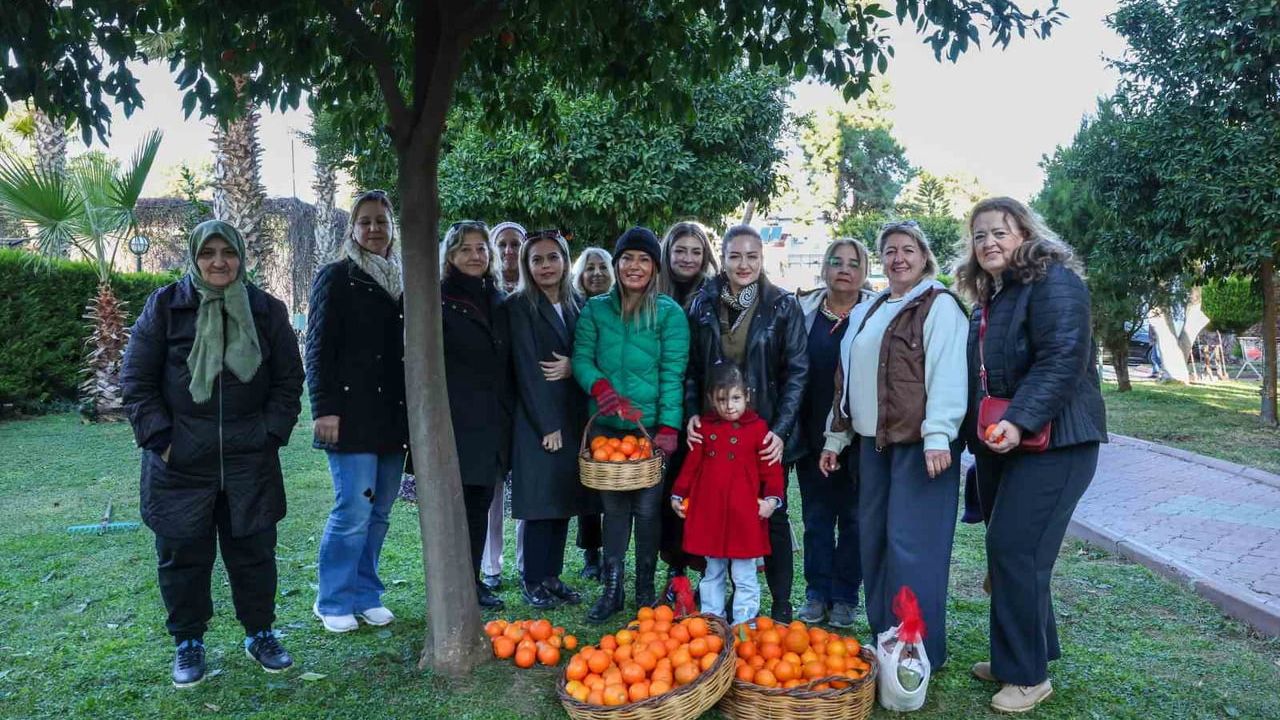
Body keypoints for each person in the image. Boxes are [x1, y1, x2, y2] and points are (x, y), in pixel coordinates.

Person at [122, 220, 303, 688]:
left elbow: (288, 380)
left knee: (255, 554)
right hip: (180, 461)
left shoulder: (266, 310)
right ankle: (188, 642)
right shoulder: (165, 307)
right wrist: (163, 441)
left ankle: (260, 632)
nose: (219, 262)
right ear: (194, 257)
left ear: (241, 256)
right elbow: (137, 383)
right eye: (209, 253)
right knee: (182, 555)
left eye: (228, 252)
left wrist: (270, 435)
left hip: (250, 458)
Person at [955, 197, 1107, 713]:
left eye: (1000, 232)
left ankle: (1028, 676)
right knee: (1012, 552)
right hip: (1008, 446)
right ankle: (1022, 654)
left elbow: (1062, 359)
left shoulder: (1054, 282)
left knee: (1016, 550)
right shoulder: (995, 295)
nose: (989, 242)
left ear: (1024, 234)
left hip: (1057, 443)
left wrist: (1019, 421)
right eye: (980, 236)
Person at [820, 220, 968, 669]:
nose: (898, 258)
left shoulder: (939, 305)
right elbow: (849, 377)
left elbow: (947, 372)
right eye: (889, 251)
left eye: (907, 249)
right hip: (873, 446)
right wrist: (837, 434)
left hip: (920, 446)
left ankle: (919, 649)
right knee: (877, 542)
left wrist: (938, 433)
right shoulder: (875, 306)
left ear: (924, 256)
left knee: (913, 548)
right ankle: (887, 637)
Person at [685, 224, 808, 622]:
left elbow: (797, 373)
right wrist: (691, 414)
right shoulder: (703, 303)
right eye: (735, 255)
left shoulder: (782, 306)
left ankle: (780, 603)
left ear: (762, 259)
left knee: (770, 513)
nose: (743, 264)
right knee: (714, 509)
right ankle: (715, 611)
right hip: (715, 427)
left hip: (764, 428)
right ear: (722, 257)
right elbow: (691, 370)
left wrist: (781, 430)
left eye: (752, 256)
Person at [572, 226, 689, 623]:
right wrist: (599, 385)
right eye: (627, 258)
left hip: (650, 432)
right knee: (614, 509)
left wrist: (669, 428)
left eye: (643, 259)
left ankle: (644, 591)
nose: (634, 266)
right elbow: (582, 358)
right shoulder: (595, 310)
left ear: (654, 267)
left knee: (648, 509)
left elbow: (673, 375)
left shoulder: (670, 314)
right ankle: (613, 588)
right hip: (606, 429)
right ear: (616, 263)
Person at [306, 190, 408, 633]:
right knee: (353, 508)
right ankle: (332, 599)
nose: (373, 229)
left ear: (392, 227)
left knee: (381, 510)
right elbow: (317, 348)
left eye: (380, 221)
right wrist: (324, 409)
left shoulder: (404, 281)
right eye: (364, 221)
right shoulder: (336, 276)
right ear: (353, 228)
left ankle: (366, 594)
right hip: (348, 415)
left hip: (392, 416)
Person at [505, 229, 598, 609]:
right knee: (539, 502)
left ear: (564, 260)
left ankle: (552, 576)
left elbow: (589, 355)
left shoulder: (577, 304)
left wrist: (573, 368)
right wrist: (547, 426)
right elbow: (527, 369)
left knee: (562, 498)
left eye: (552, 258)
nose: (546, 266)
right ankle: (532, 579)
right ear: (527, 266)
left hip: (572, 417)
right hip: (539, 420)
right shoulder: (519, 307)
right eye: (537, 260)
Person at [793, 238, 873, 627]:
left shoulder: (876, 314)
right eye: (836, 261)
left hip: (859, 438)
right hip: (811, 435)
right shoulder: (803, 311)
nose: (844, 268)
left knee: (855, 519)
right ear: (824, 269)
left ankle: (844, 596)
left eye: (853, 263)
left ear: (864, 271)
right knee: (817, 518)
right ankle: (816, 593)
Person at [671, 363, 783, 621]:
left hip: (743, 515)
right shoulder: (704, 428)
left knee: (744, 573)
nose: (729, 406)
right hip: (711, 512)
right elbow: (691, 467)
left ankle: (744, 623)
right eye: (722, 400)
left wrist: (772, 499)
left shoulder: (758, 428)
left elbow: (771, 469)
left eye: (735, 398)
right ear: (711, 399)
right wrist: (678, 494)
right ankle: (713, 620)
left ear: (747, 397)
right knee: (713, 570)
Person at [441, 220, 515, 609]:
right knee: (459, 507)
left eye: (481, 249)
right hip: (457, 419)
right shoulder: (440, 300)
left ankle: (471, 581)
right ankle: (460, 582)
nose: (475, 255)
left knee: (480, 504)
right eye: (465, 249)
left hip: (492, 421)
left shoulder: (498, 300)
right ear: (450, 256)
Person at [655, 221, 720, 594]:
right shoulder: (651, 292)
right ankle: (673, 568)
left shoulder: (712, 295)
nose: (688, 258)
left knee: (697, 493)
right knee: (665, 497)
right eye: (681, 250)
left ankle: (704, 571)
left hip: (698, 409)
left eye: (696, 251)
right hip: (660, 408)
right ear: (668, 253)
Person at [480, 221, 527, 592]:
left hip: (526, 405)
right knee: (492, 491)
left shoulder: (534, 294)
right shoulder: (487, 293)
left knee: (526, 488)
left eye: (516, 244)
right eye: (504, 245)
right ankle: (491, 565)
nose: (510, 252)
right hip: (493, 407)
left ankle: (526, 561)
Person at [568, 245, 614, 579]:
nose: (596, 273)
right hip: (580, 406)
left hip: (614, 406)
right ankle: (592, 555)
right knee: (587, 486)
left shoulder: (618, 309)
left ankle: (614, 555)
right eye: (589, 268)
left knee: (613, 483)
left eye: (602, 267)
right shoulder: (572, 309)